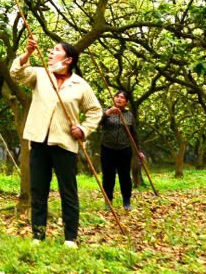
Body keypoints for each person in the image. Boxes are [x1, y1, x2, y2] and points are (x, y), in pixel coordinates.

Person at [10, 39, 103, 247]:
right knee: (38, 190)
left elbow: (96, 111)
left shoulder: (80, 84)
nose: (50, 53)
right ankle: (38, 235)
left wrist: (84, 129)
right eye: (50, 50)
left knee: (68, 191)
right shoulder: (40, 75)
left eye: (56, 51)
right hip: (39, 142)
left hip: (65, 144)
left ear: (68, 59)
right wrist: (27, 54)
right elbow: (16, 74)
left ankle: (70, 238)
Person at [98, 90, 143, 210]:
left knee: (124, 176)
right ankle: (108, 201)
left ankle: (127, 201)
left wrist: (139, 151)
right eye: (117, 96)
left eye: (122, 98)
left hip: (124, 149)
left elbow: (134, 134)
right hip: (107, 148)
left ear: (126, 102)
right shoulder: (106, 111)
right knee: (108, 176)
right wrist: (108, 112)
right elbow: (98, 122)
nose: (119, 99)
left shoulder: (129, 115)